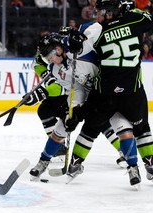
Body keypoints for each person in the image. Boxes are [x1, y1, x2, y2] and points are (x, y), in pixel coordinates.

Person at [66, 0, 153, 187]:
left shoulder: (97, 29)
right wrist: (132, 9)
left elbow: (77, 48)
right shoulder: (135, 20)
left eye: (100, 12)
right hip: (132, 92)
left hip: (105, 94)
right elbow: (149, 19)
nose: (97, 15)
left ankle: (75, 163)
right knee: (142, 128)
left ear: (110, 13)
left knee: (90, 128)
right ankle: (150, 163)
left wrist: (71, 41)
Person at [26, 31, 126, 180]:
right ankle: (43, 161)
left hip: (104, 91)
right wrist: (73, 108)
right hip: (84, 93)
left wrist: (80, 32)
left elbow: (97, 28)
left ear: (58, 49)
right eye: (47, 57)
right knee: (63, 124)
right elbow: (73, 88)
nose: (50, 59)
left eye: (50, 55)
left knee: (109, 121)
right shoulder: (55, 68)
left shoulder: (80, 50)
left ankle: (127, 154)